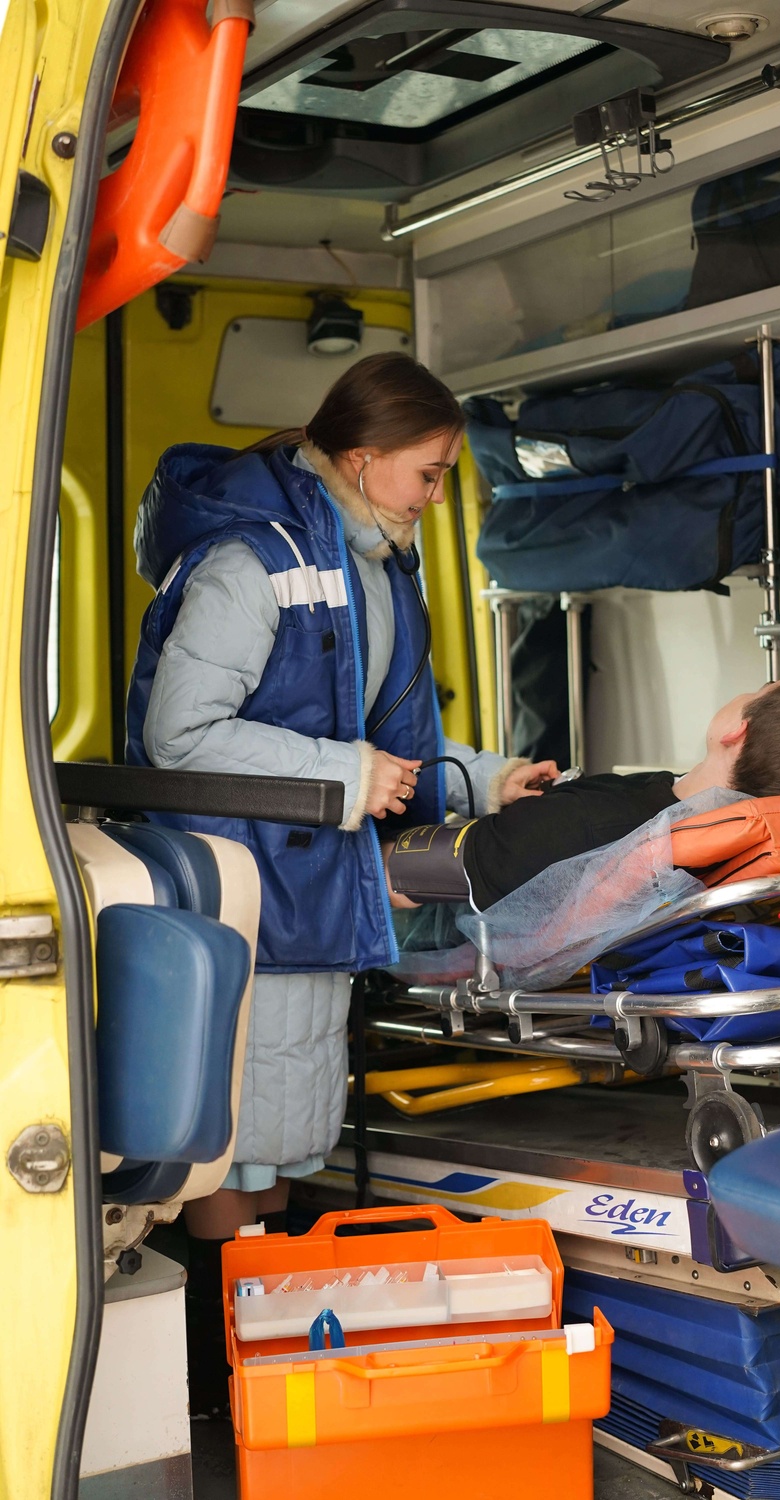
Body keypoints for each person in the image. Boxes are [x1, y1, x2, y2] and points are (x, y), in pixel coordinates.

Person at [125, 352, 556, 1413]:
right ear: (363, 461)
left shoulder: (374, 564)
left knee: (279, 1133)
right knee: (232, 1143)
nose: (437, 496)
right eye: (429, 473)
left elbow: (381, 735)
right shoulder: (250, 565)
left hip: (310, 882)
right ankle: (222, 1378)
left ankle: (261, 1356)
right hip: (246, 891)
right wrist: (344, 774)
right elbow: (180, 736)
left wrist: (487, 777)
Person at [385, 664, 780, 911]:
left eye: (760, 689)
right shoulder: (698, 844)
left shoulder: (584, 825)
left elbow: (388, 877)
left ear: (737, 732)